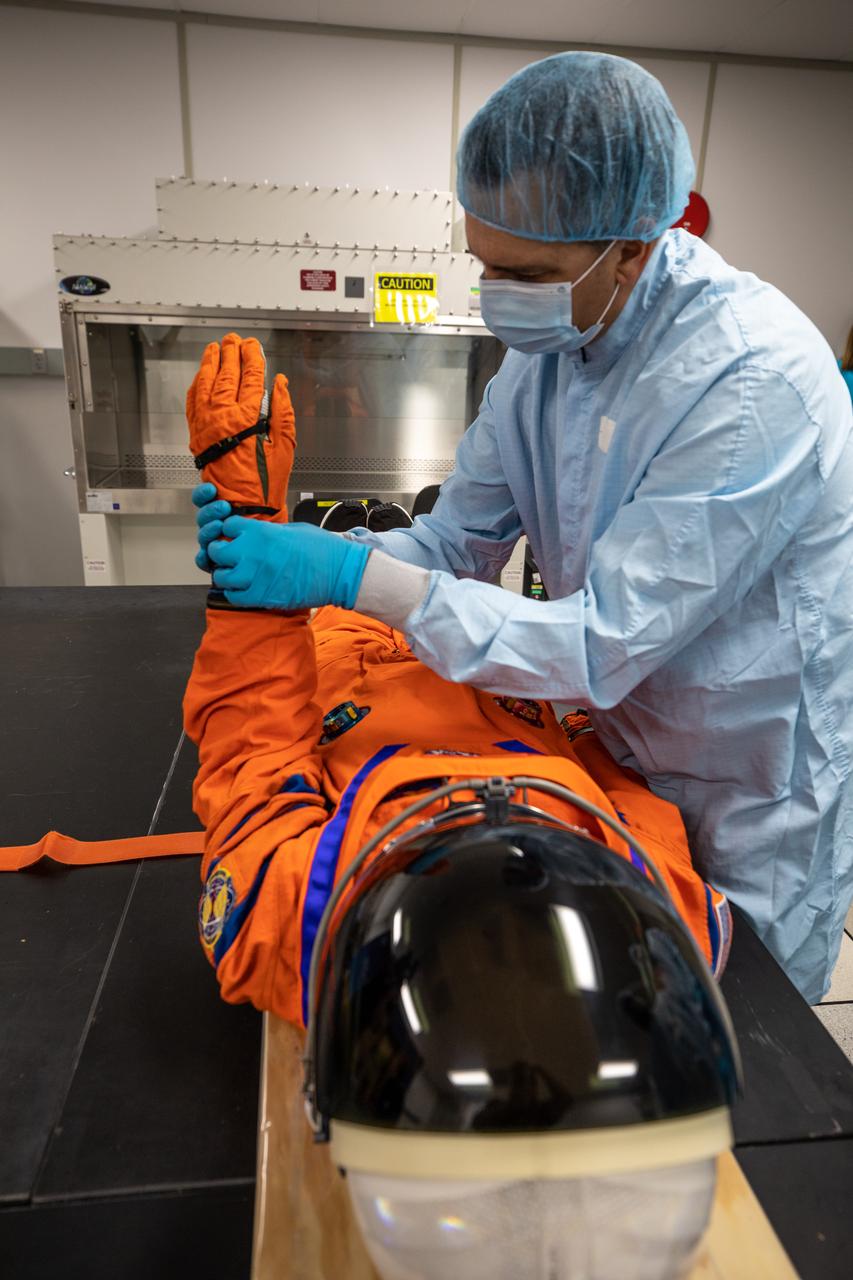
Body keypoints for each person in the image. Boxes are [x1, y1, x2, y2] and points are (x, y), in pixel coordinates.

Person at [195, 52, 853, 1005]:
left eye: (526, 272)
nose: (496, 296)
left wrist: (348, 582)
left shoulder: (749, 385)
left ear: (633, 244)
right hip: (608, 754)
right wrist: (303, 556)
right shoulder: (544, 358)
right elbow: (450, 546)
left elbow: (599, 641)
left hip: (745, 783)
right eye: (485, 264)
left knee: (735, 1044)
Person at [184, 351, 738, 1280]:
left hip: (339, 655)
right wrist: (548, 682)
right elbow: (618, 763)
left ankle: (344, 537)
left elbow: (250, 754)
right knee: (420, 537)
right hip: (494, 666)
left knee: (317, 553)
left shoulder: (297, 923)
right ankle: (376, 537)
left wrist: (246, 548)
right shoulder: (667, 918)